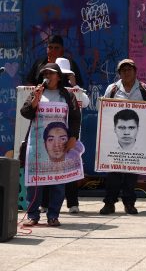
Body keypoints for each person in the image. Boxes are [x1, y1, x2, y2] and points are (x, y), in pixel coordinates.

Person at [21, 63, 81, 227]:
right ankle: (33, 215)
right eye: (45, 72)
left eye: (51, 72)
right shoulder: (36, 92)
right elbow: (25, 112)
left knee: (57, 182)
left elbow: (75, 117)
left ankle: (53, 215)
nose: (47, 75)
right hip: (37, 145)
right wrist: (35, 100)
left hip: (59, 146)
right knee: (34, 182)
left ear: (59, 77)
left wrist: (73, 137)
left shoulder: (68, 95)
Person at [99, 58, 146, 215]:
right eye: (123, 70)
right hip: (115, 140)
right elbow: (103, 111)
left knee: (131, 173)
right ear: (119, 73)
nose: (126, 72)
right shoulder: (112, 89)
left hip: (136, 140)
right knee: (113, 174)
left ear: (135, 71)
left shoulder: (144, 89)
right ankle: (109, 203)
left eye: (129, 69)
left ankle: (129, 204)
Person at [56, 57, 90, 214]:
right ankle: (46, 203)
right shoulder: (48, 89)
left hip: (71, 137)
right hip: (52, 137)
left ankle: (73, 203)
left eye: (65, 75)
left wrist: (74, 84)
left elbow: (86, 102)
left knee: (71, 171)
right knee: (51, 169)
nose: (62, 78)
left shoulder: (74, 91)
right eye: (60, 74)